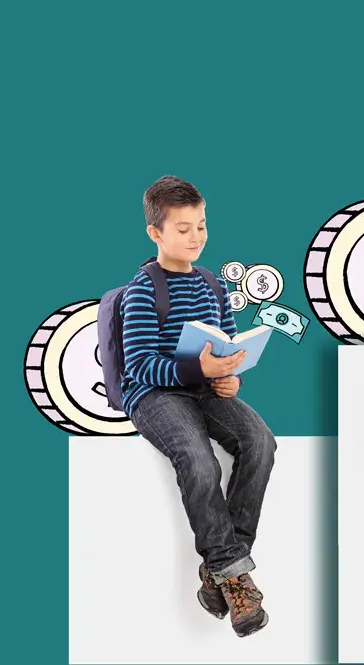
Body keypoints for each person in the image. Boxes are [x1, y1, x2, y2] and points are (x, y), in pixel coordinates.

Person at [119, 175, 276, 636]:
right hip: (154, 395)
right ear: (156, 233)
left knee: (260, 443)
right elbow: (141, 365)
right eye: (183, 228)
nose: (195, 237)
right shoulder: (142, 290)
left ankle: (221, 572)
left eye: (201, 226)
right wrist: (198, 373)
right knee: (198, 461)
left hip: (206, 389)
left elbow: (223, 346)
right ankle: (236, 576)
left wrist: (229, 377)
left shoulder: (212, 286)